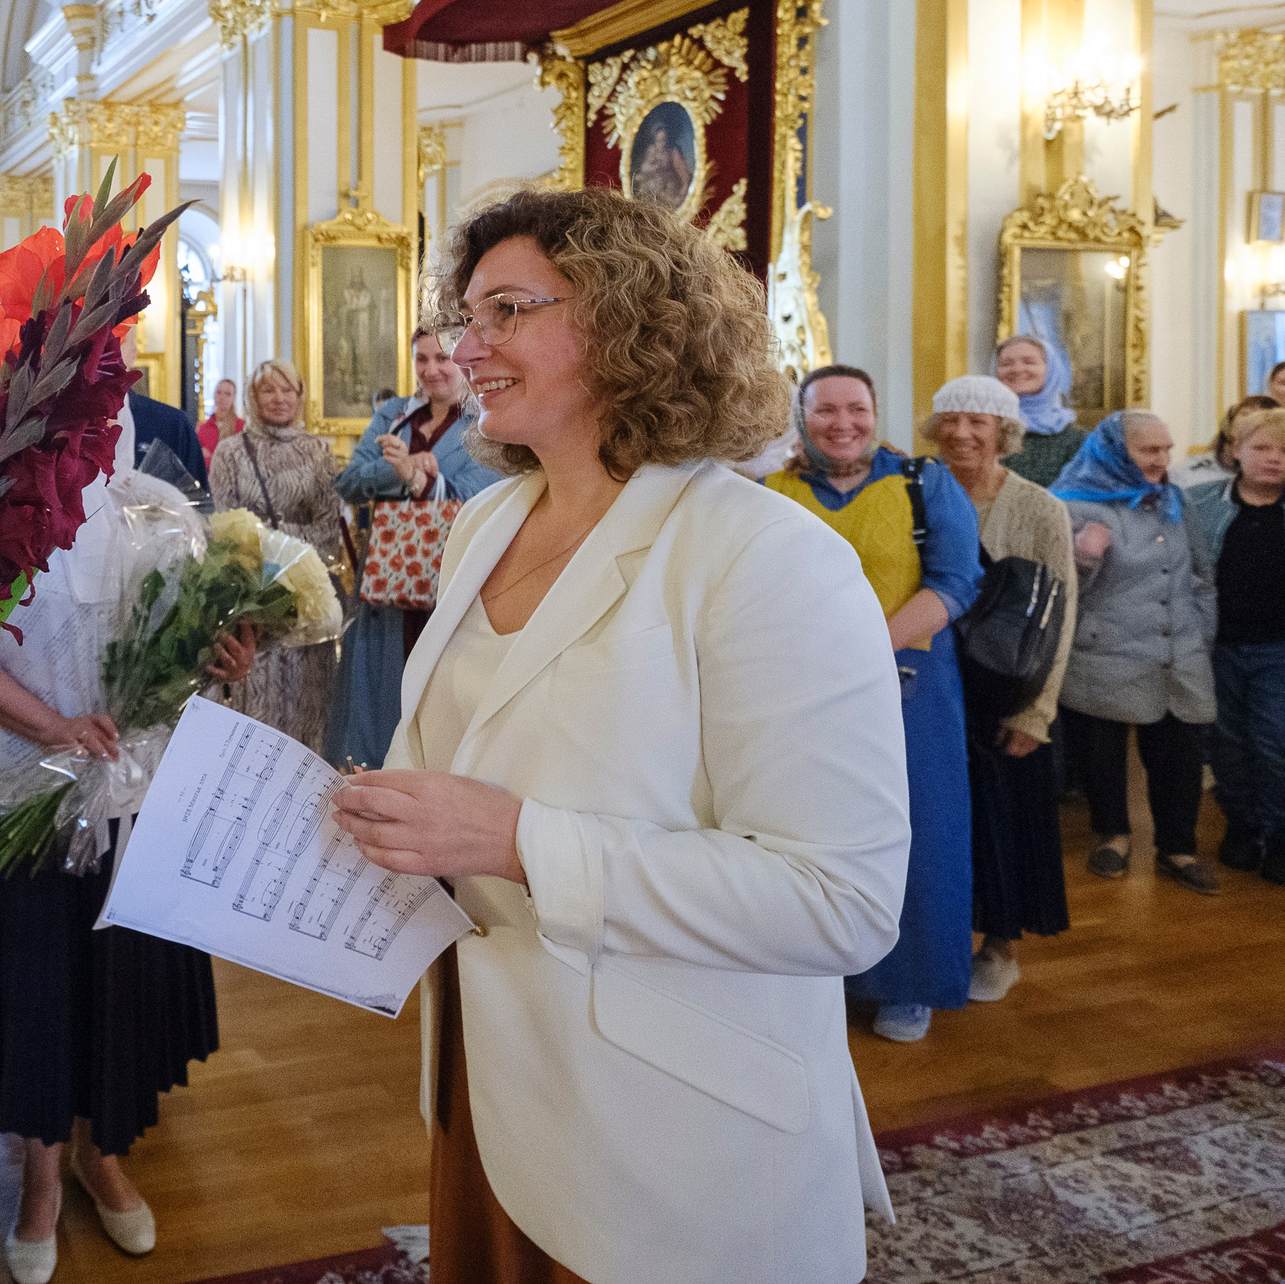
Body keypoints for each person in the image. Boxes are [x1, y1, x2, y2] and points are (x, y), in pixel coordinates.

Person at [332, 188, 907, 1284]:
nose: (467, 345)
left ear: (628, 319)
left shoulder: (761, 553)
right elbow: (474, 758)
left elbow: (841, 899)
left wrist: (514, 840)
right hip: (489, 1072)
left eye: (505, 309)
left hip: (665, 1111)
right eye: (467, 314)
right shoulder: (488, 521)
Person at [0, 397, 255, 1284]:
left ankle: (104, 1155)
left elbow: (191, 639)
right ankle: (41, 1179)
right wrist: (49, 726)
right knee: (41, 980)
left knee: (119, 976)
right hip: (28, 782)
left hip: (137, 785)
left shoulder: (162, 505)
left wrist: (224, 658)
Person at [763, 365, 978, 1043]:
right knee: (808, 831)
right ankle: (815, 974)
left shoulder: (924, 483)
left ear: (876, 412)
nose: (843, 423)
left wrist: (868, 648)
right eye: (825, 410)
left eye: (856, 408)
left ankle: (909, 984)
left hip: (909, 689)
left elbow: (955, 583)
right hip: (797, 692)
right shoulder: (774, 488)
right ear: (802, 418)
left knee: (917, 835)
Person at [922, 376, 1074, 1007]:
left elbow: (1060, 613)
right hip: (936, 684)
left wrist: (1037, 713)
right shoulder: (917, 491)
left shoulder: (1041, 508)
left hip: (1010, 689)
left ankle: (1003, 947)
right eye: (951, 421)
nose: (963, 434)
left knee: (1009, 823)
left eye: (978, 423)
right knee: (949, 825)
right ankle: (946, 934)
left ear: (1003, 433)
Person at [1052, 411, 1220, 895]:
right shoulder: (1071, 505)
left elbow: (1202, 577)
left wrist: (1200, 635)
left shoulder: (1174, 499)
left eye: (1167, 449)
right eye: (1149, 450)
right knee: (1101, 755)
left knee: (1181, 756)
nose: (1162, 461)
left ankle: (1178, 848)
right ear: (1114, 452)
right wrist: (1084, 557)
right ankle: (1113, 836)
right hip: (1104, 653)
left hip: (1179, 652)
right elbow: (1058, 592)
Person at [325, 325, 502, 768]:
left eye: (442, 359)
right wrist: (399, 473)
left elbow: (487, 495)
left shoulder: (487, 419)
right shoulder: (394, 416)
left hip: (452, 582)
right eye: (421, 360)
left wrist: (425, 479)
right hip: (389, 581)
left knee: (445, 693)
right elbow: (348, 482)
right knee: (380, 694)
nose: (431, 370)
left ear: (462, 358)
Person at [208, 359, 342, 749]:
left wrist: (270, 539)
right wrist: (276, 547)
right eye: (269, 389)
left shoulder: (318, 451)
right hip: (253, 604)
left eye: (288, 390)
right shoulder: (230, 453)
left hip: (306, 604)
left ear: (300, 396)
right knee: (256, 720)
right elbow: (226, 528)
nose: (279, 399)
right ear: (253, 396)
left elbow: (328, 528)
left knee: (308, 717)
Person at [1188, 404, 1285, 884]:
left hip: (1278, 650)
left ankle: (1278, 833)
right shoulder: (1202, 503)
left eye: (1284, 450)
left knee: (1274, 743)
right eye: (1262, 447)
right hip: (1217, 646)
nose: (1274, 458)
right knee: (1226, 745)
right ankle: (1243, 827)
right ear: (1235, 452)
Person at [996, 332, 1083, 487]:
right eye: (1006, 364)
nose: (1016, 369)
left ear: (1050, 369)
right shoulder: (981, 425)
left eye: (1029, 362)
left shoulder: (1076, 440)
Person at [123, 329, 207, 489]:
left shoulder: (172, 425)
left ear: (133, 354)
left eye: (119, 339)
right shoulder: (63, 424)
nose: (105, 350)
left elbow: (197, 509)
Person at [196, 376, 245, 457]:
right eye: (219, 392)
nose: (222, 397)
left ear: (233, 399)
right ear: (214, 395)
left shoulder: (242, 427)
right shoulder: (202, 429)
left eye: (228, 394)